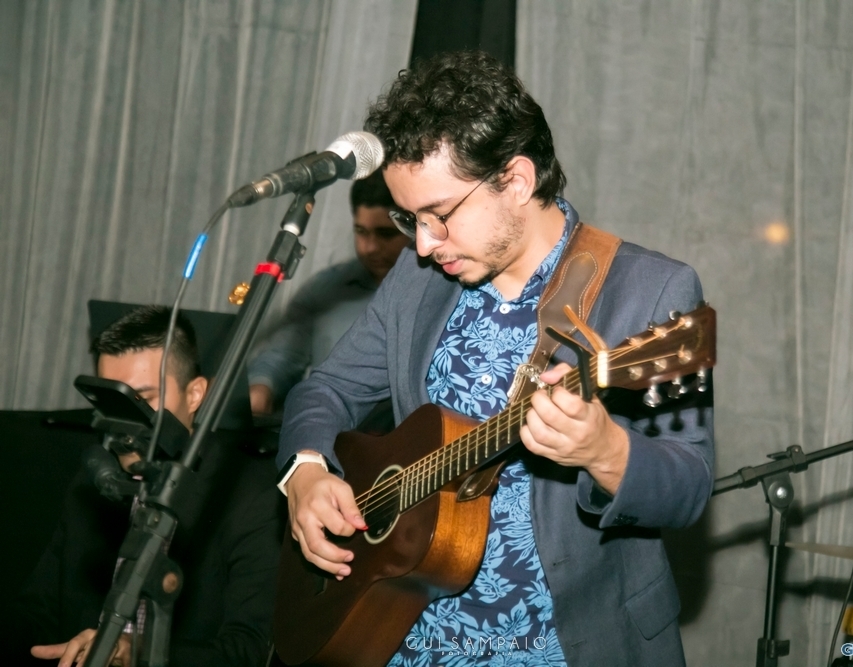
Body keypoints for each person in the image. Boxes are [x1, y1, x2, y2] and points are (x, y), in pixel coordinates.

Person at [277, 51, 714, 667]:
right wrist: (305, 471)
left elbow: (689, 485)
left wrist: (605, 451)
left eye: (439, 215)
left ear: (517, 181)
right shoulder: (418, 278)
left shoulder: (650, 292)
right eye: (409, 219)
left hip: (561, 647)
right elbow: (327, 389)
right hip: (399, 632)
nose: (423, 244)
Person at [15, 306, 283, 667]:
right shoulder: (96, 481)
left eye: (143, 399)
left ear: (194, 395)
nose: (124, 421)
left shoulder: (248, 498)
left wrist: (137, 653)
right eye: (113, 399)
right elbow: (37, 613)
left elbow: (248, 651)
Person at [247, 170, 409, 415]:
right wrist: (261, 388)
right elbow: (282, 355)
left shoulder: (439, 290)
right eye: (361, 231)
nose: (371, 247)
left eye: (386, 234)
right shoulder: (326, 288)